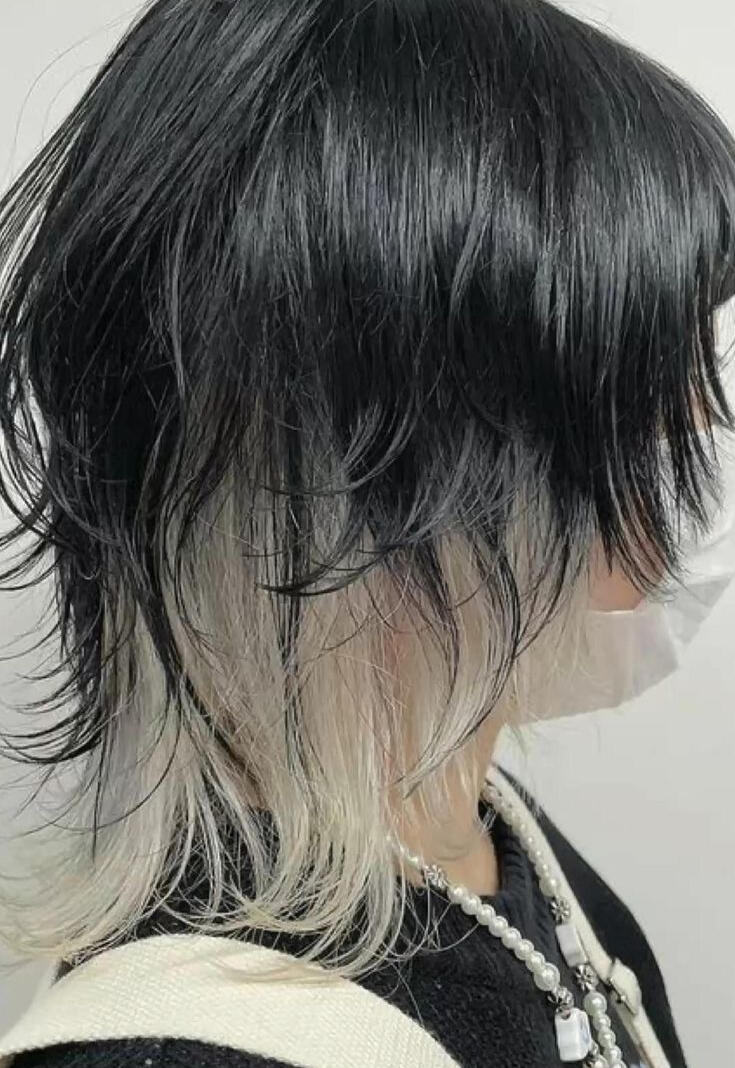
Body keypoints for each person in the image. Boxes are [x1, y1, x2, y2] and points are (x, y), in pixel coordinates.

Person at [0, 0, 734, 1066]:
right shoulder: (186, 1048)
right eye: (656, 377)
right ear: (406, 469)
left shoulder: (493, 842)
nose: (703, 422)